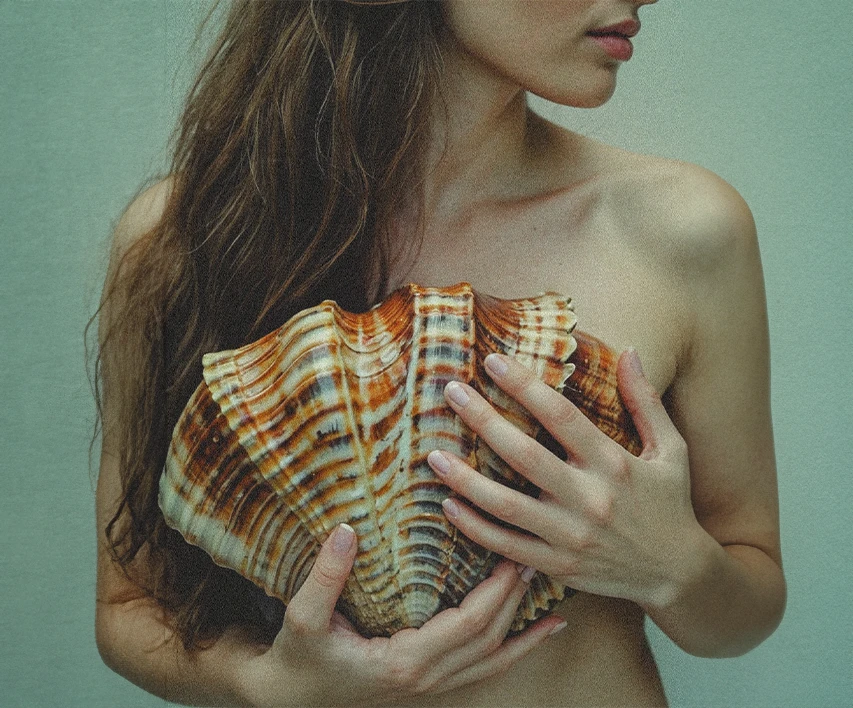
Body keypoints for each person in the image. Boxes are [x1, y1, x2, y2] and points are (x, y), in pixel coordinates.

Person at [92, 1, 786, 706]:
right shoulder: (183, 238)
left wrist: (671, 568)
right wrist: (265, 683)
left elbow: (748, 608)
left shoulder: (679, 231)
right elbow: (127, 608)